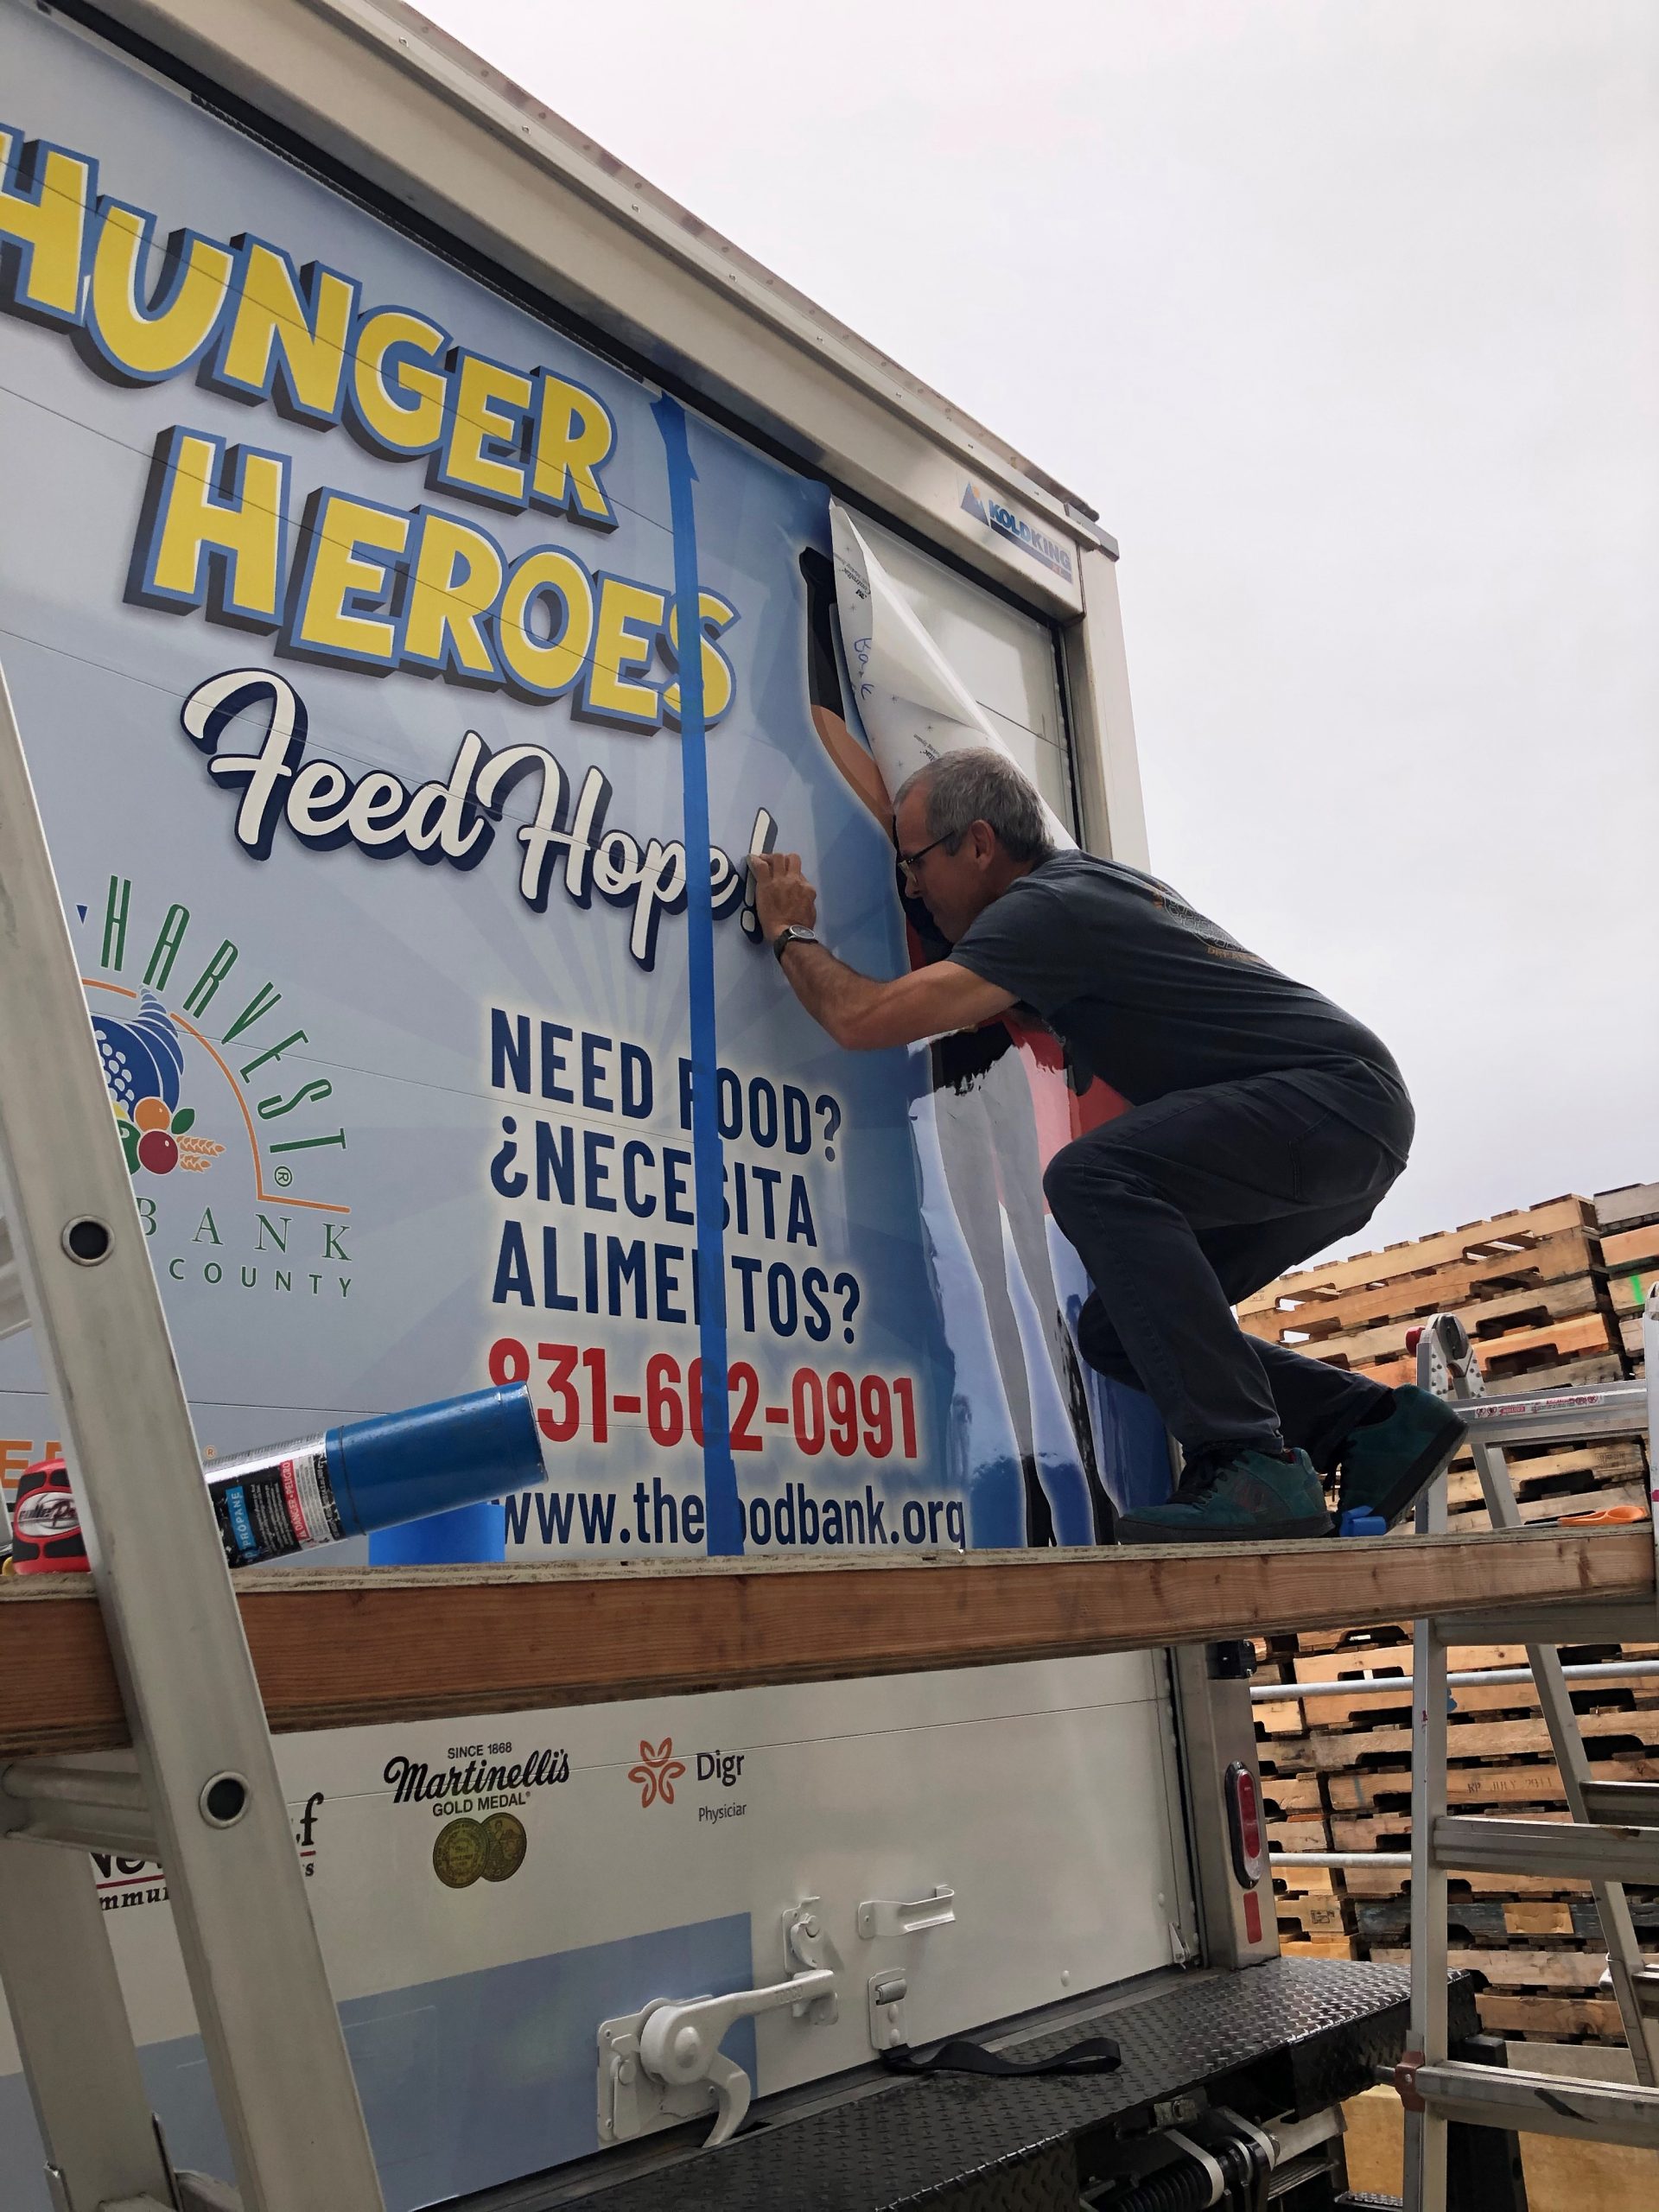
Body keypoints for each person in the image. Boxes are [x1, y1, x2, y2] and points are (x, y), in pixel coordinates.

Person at [749, 747, 1463, 1543]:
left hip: (1331, 1103)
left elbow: (864, 1020)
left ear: (980, 844)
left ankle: (1251, 1463)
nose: (910, 886)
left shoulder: (1049, 910)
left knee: (1094, 1177)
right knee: (1118, 1332)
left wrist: (791, 930)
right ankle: (1369, 1423)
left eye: (914, 863)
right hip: (1343, 1128)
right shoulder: (1084, 890)